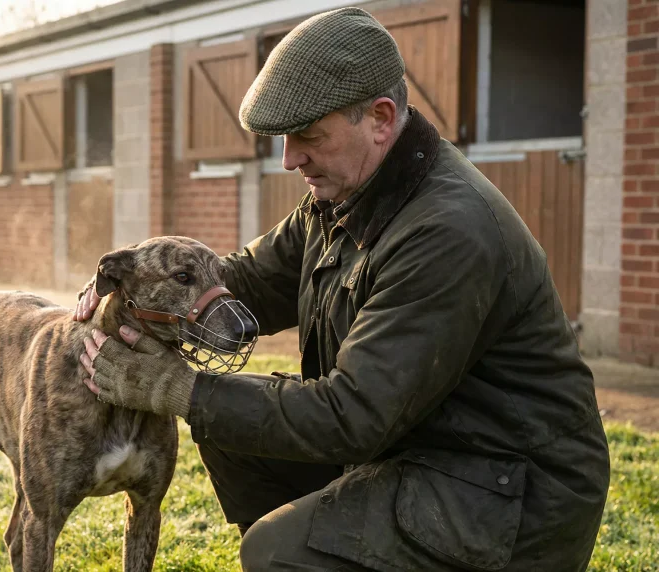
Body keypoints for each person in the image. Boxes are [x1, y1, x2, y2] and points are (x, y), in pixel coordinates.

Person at [73, 7, 610, 571]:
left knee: (275, 548)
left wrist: (175, 389)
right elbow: (246, 282)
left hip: (506, 488)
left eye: (307, 135)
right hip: (418, 447)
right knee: (233, 431)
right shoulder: (345, 198)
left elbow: (352, 415)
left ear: (380, 118)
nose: (289, 159)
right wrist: (133, 286)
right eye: (283, 138)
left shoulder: (447, 232)